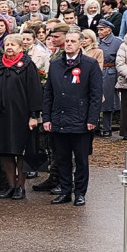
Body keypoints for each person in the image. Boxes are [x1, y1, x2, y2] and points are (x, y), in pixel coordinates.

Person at [43, 29, 102, 205]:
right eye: (67, 41)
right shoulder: (55, 64)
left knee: (81, 160)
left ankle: (80, 192)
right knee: (62, 158)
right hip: (59, 119)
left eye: (73, 41)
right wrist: (47, 118)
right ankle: (65, 190)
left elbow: (96, 94)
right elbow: (48, 93)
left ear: (80, 43)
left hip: (81, 120)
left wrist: (92, 119)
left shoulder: (90, 64)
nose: (69, 43)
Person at [0, 35, 41, 200]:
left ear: (21, 47)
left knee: (20, 150)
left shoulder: (28, 65)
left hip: (21, 116)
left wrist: (34, 115)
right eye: (7, 44)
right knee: (4, 151)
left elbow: (35, 91)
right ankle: (11, 184)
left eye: (13, 45)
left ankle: (21, 187)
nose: (9, 47)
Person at [98, 20, 123, 136]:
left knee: (108, 100)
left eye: (102, 29)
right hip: (97, 70)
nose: (99, 32)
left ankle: (107, 128)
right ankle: (96, 126)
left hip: (110, 71)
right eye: (98, 29)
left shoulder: (117, 42)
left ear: (109, 29)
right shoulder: (96, 41)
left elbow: (120, 60)